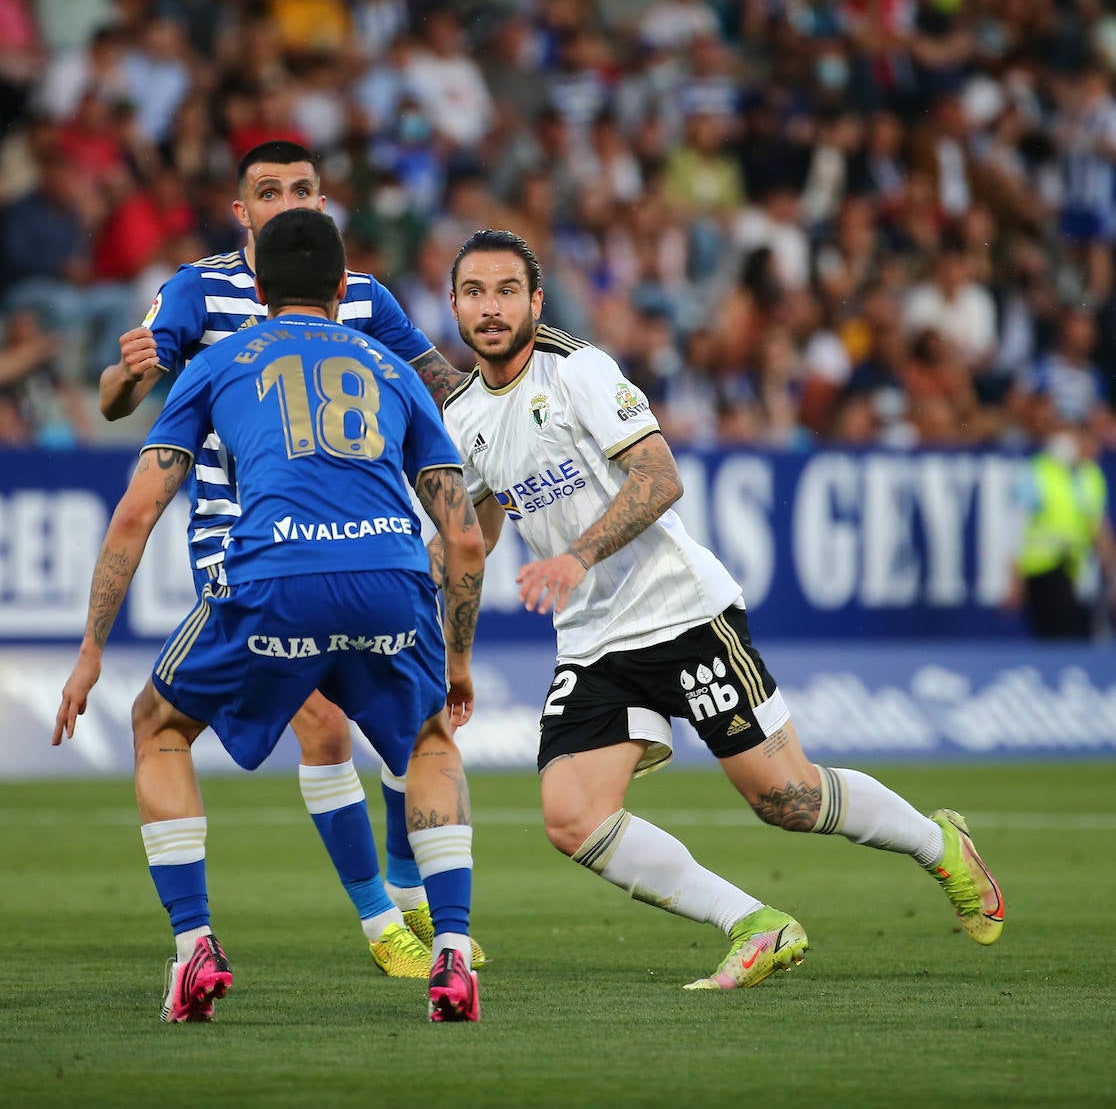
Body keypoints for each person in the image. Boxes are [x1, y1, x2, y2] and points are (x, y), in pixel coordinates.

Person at [438, 228, 1004, 991]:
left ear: (536, 301)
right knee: (572, 816)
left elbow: (659, 476)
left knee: (788, 798)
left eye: (507, 290)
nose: (491, 307)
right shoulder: (465, 413)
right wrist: (458, 646)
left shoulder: (577, 371)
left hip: (680, 614)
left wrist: (575, 557)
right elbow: (479, 531)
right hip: (592, 639)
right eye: (475, 292)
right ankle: (754, 923)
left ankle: (940, 846)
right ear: (454, 305)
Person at [53, 209, 485, 1024]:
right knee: (430, 739)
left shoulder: (219, 363)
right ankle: (454, 953)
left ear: (256, 286)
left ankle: (194, 947)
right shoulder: (389, 366)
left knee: (159, 724)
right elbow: (462, 535)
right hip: (392, 575)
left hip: (274, 576)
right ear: (340, 286)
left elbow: (138, 512)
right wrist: (456, 662)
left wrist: (90, 649)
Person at [1008, 408, 1115, 640]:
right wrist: (1014, 578)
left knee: (1075, 635)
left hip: (1075, 571)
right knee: (1056, 636)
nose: (1096, 449)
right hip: (1043, 569)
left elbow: (1099, 528)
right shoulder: (1037, 471)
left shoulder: (1090, 476)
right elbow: (1016, 528)